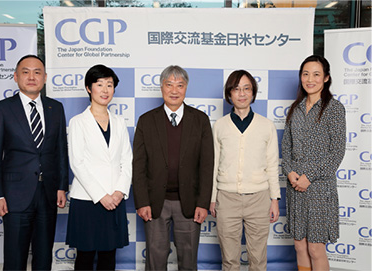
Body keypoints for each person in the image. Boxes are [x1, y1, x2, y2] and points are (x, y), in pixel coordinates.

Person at [0, 55, 69, 270]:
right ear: (15, 77)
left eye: (37, 72)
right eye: (25, 72)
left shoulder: (56, 108)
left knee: (43, 259)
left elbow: (61, 150)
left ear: (45, 77)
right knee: (15, 259)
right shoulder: (2, 109)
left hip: (48, 194)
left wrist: (62, 186)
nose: (32, 77)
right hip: (15, 196)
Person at [132, 65, 214, 270]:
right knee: (155, 262)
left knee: (188, 261)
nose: (174, 90)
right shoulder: (146, 120)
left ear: (186, 88)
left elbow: (207, 165)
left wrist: (203, 203)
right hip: (154, 204)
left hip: (190, 204)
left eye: (180, 85)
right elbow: (139, 165)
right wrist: (142, 201)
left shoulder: (200, 120)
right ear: (161, 87)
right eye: (169, 85)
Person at [209, 70, 280, 271]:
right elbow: (214, 164)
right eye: (236, 89)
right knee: (229, 260)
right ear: (229, 94)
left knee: (258, 260)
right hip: (227, 198)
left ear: (253, 93)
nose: (241, 93)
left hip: (259, 198)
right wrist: (213, 197)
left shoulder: (267, 125)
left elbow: (272, 164)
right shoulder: (220, 126)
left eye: (246, 88)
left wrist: (274, 199)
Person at [281, 55, 346, 271]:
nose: (310, 79)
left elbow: (336, 153)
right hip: (295, 187)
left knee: (316, 248)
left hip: (319, 189)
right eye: (306, 74)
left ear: (326, 78)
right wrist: (289, 172)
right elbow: (286, 147)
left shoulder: (334, 109)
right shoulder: (295, 109)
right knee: (299, 246)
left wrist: (309, 177)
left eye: (316, 74)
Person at [66, 64, 132, 271]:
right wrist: (102, 196)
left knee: (108, 255)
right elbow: (77, 162)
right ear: (89, 88)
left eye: (109, 85)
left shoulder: (120, 122)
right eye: (99, 84)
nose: (105, 90)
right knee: (85, 257)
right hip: (88, 200)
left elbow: (127, 160)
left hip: (115, 198)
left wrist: (119, 191)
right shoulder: (78, 122)